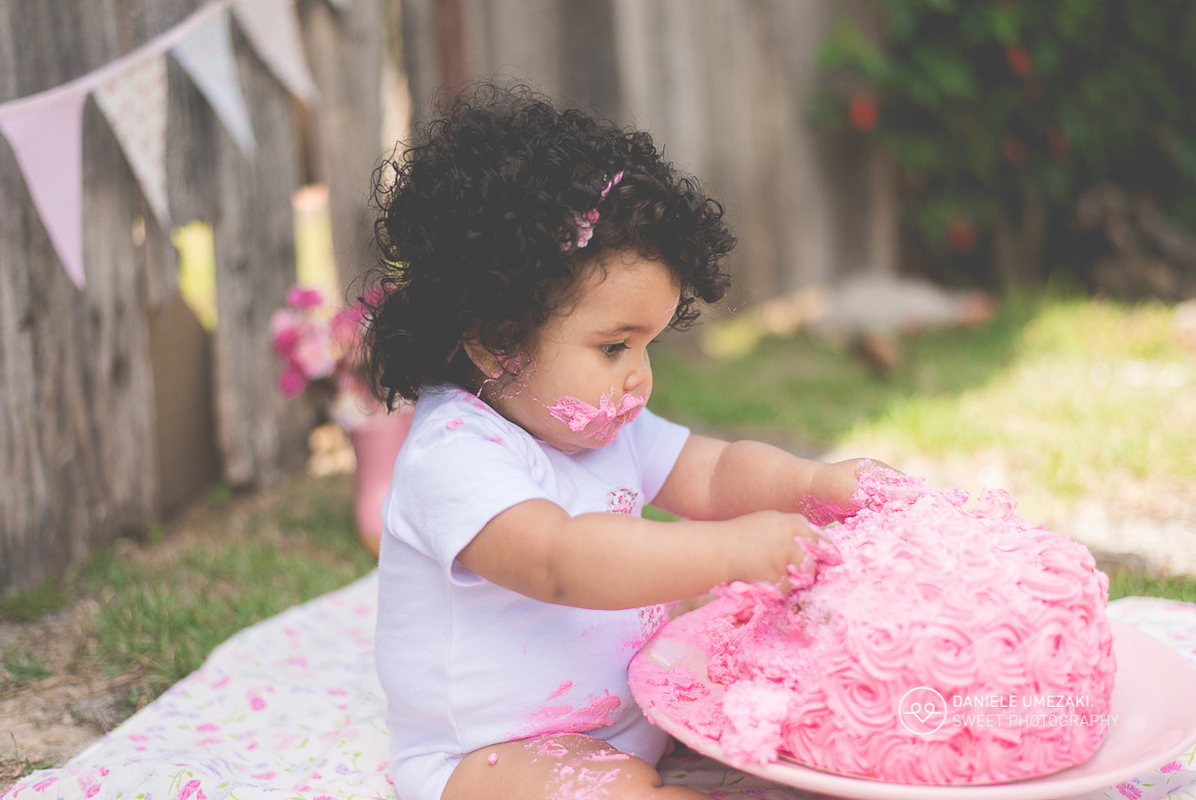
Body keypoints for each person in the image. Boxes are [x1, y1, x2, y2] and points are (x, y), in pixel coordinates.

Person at [361, 83, 900, 800]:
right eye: (614, 347)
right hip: (491, 754)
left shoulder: (601, 426)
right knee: (613, 792)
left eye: (649, 346)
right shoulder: (454, 456)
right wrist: (732, 553)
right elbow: (562, 561)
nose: (640, 378)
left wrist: (812, 485)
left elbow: (712, 474)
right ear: (498, 341)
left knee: (791, 682)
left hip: (636, 708)